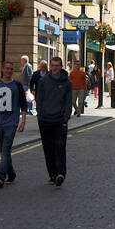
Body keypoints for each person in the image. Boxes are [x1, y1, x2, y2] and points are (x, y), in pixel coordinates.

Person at [0, 59, 27, 187]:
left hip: (12, 122)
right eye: (7, 68)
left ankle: (0, 176)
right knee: (3, 150)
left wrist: (22, 121)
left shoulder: (17, 86)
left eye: (11, 69)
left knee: (6, 149)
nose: (9, 71)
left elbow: (23, 105)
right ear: (2, 69)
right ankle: (11, 174)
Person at [35, 55, 74, 185]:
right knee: (48, 148)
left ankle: (61, 173)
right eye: (53, 65)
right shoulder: (43, 81)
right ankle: (52, 174)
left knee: (60, 147)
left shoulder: (67, 82)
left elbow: (68, 102)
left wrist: (66, 118)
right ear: (50, 66)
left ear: (61, 67)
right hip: (45, 120)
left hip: (59, 121)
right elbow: (39, 99)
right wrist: (40, 114)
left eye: (57, 66)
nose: (55, 68)